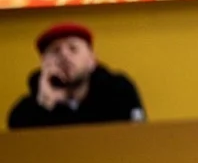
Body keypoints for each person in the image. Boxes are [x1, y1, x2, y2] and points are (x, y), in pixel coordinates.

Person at [7, 23, 145, 130]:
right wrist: (45, 104)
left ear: (92, 60)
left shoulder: (118, 92)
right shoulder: (25, 111)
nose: (64, 56)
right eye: (55, 51)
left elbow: (136, 137)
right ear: (43, 64)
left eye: (73, 48)